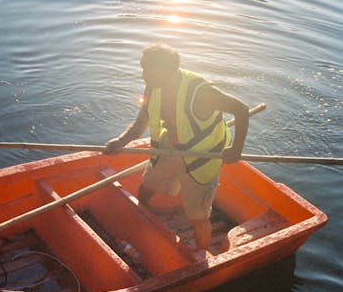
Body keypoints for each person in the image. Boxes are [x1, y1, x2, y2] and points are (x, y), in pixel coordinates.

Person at [104, 43, 249, 251]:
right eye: (143, 68)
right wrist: (120, 141)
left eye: (147, 69)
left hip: (201, 157)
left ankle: (201, 255)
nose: (143, 75)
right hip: (168, 147)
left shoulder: (201, 92)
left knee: (197, 215)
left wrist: (236, 149)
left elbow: (241, 110)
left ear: (165, 71)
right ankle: (140, 215)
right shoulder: (153, 87)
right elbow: (140, 123)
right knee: (148, 184)